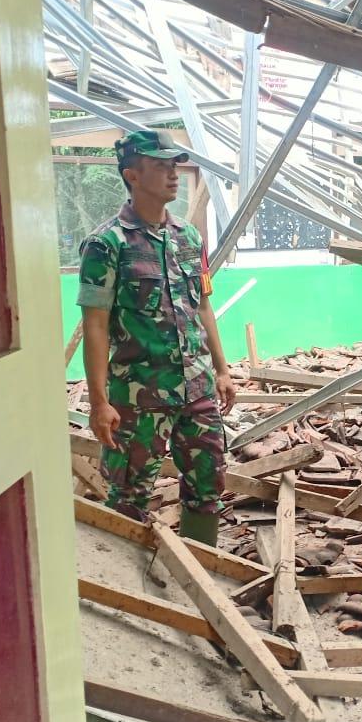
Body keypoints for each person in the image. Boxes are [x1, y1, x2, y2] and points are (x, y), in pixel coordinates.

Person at [76, 129, 236, 547]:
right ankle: (138, 595)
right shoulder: (106, 244)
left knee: (207, 487)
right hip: (140, 398)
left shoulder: (189, 237)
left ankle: (204, 575)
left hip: (198, 390)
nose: (173, 175)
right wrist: (99, 402)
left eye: (174, 166)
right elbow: (95, 324)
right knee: (129, 495)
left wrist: (221, 369)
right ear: (132, 174)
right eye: (160, 167)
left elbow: (202, 306)